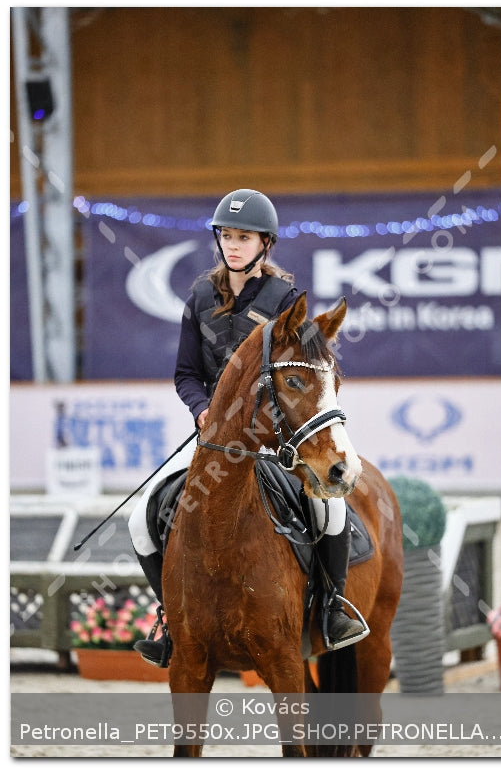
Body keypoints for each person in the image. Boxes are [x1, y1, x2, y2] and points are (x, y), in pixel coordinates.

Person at [129, 188, 366, 667]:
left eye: (244, 237)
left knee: (331, 512)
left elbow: (303, 372)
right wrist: (201, 410)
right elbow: (186, 373)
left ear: (265, 244)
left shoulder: (285, 300)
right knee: (140, 521)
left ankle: (332, 608)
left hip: (268, 437)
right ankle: (173, 619)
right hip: (212, 437)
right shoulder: (199, 296)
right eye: (227, 236)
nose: (233, 245)